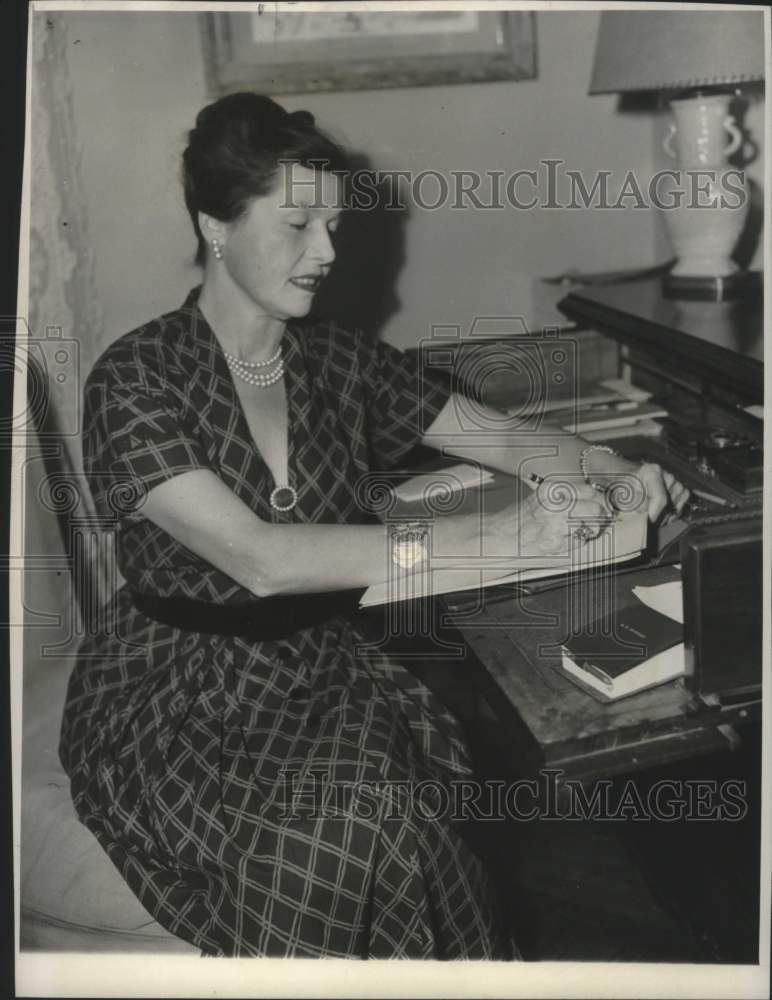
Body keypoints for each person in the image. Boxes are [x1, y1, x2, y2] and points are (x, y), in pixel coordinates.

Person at [59, 92, 689, 959]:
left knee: (403, 831)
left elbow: (501, 437)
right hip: (179, 690)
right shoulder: (133, 378)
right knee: (326, 846)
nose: (327, 251)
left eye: (335, 225)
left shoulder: (337, 357)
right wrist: (505, 540)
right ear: (214, 224)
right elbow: (261, 559)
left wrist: (627, 476)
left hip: (319, 666)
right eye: (298, 225)